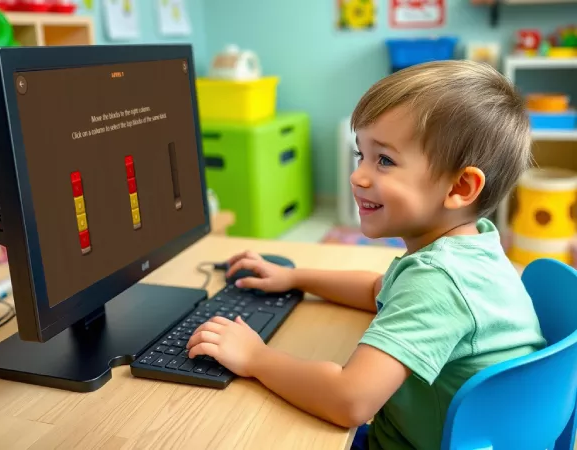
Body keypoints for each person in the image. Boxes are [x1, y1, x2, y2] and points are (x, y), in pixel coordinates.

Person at [186, 60, 547, 450]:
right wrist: (295, 278)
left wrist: (255, 358)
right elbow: (378, 289)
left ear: (460, 187)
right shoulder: (474, 244)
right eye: (362, 155)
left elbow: (350, 400)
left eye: (385, 160)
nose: (358, 176)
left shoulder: (438, 281)